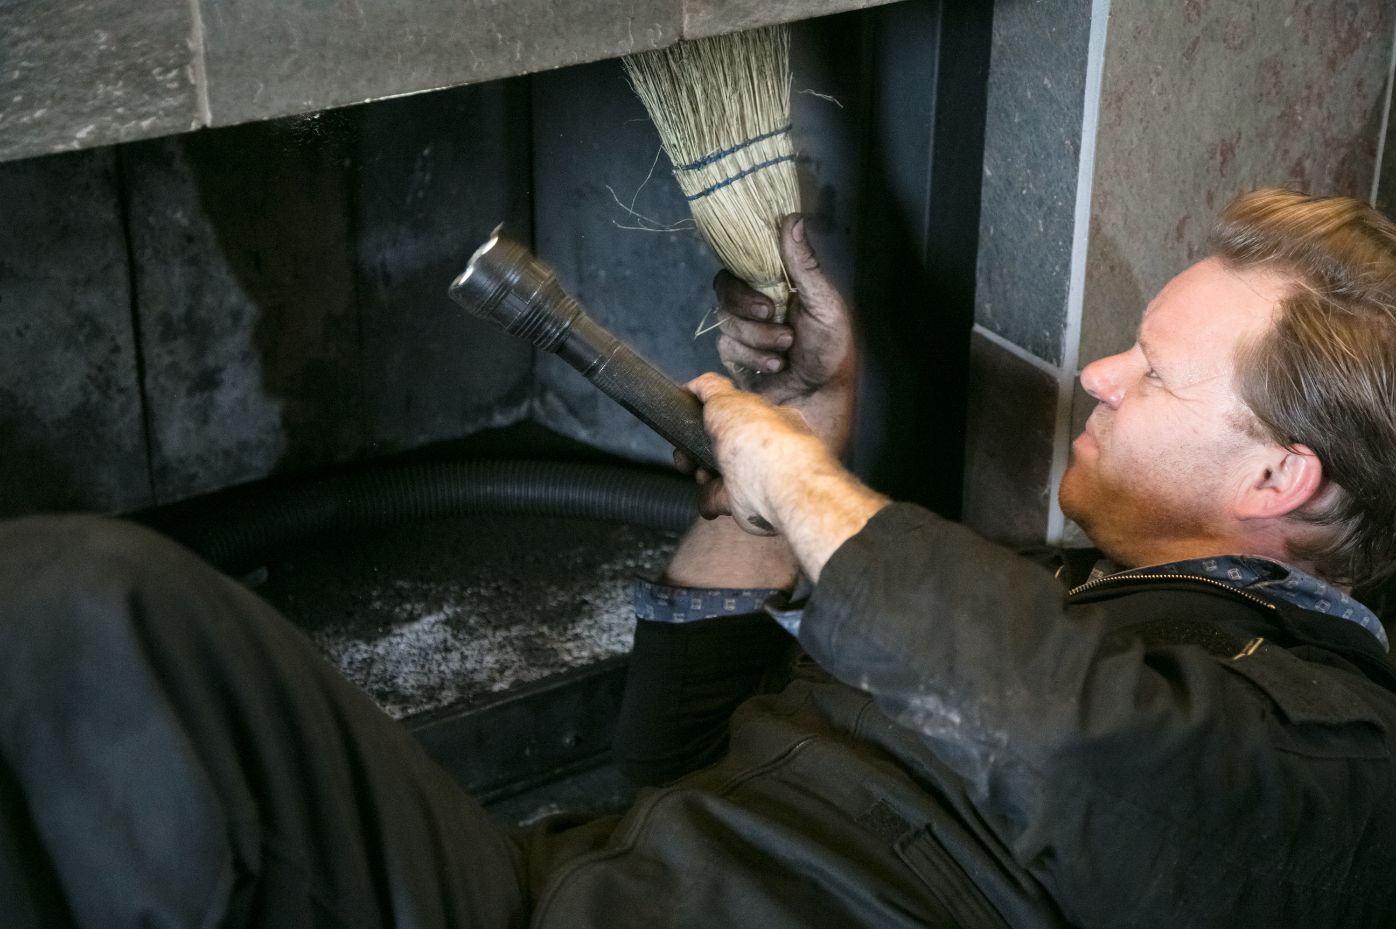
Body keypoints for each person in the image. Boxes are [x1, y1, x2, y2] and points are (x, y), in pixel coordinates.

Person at [1, 187, 1393, 928]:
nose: (1097, 370)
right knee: (92, 622)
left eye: (1149, 374)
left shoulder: (1340, 744)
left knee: (84, 632)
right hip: (561, 889)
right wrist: (775, 467)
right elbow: (675, 757)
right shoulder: (1047, 597)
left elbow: (1078, 751)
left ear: (1283, 473)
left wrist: (811, 484)